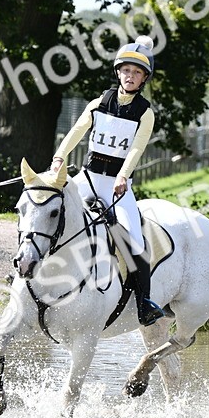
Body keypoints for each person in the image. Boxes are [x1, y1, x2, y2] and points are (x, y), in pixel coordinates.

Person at [50, 35, 166, 326]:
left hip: (117, 184)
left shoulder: (145, 112)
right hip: (88, 178)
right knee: (50, 211)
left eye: (137, 72)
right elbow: (77, 131)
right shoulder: (100, 102)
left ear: (144, 79)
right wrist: (59, 157)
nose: (130, 76)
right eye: (126, 70)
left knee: (135, 241)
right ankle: (29, 271)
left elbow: (137, 147)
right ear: (119, 72)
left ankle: (144, 304)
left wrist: (124, 176)